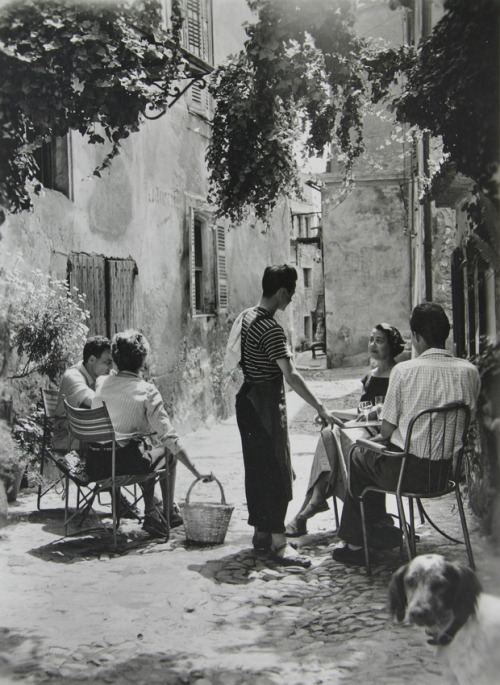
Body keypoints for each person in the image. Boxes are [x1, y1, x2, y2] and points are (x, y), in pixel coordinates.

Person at [332, 302, 481, 565]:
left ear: (417, 337)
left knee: (358, 454)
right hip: (445, 473)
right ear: (444, 335)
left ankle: (357, 544)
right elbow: (468, 422)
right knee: (372, 454)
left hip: (406, 474)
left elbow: (387, 431)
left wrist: (372, 440)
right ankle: (379, 527)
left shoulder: (404, 371)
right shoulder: (470, 372)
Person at [235, 264, 337, 567]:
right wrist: (320, 406)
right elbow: (290, 375)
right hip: (265, 404)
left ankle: (262, 534)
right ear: (281, 292)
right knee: (276, 471)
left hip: (248, 400)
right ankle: (280, 543)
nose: (292, 299)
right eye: (291, 293)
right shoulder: (270, 327)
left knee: (257, 469)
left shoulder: (247, 318)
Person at [285, 322, 405, 538]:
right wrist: (331, 413)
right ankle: (314, 502)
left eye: (379, 340)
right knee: (329, 432)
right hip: (364, 433)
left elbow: (389, 417)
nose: (373, 345)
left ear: (392, 344)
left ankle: (310, 506)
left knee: (331, 437)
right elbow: (362, 412)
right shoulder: (370, 377)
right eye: (371, 340)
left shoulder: (399, 375)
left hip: (383, 440)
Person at [91, 329, 212, 538]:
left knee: (142, 450)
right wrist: (196, 471)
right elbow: (169, 437)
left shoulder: (101, 383)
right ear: (143, 361)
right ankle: (164, 513)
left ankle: (153, 512)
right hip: (122, 465)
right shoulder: (147, 391)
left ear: (116, 360)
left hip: (95, 463)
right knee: (166, 453)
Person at [52, 336, 113, 452]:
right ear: (91, 360)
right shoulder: (73, 376)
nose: (111, 368)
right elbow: (94, 401)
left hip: (90, 436)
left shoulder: (102, 374)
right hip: (69, 439)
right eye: (107, 362)